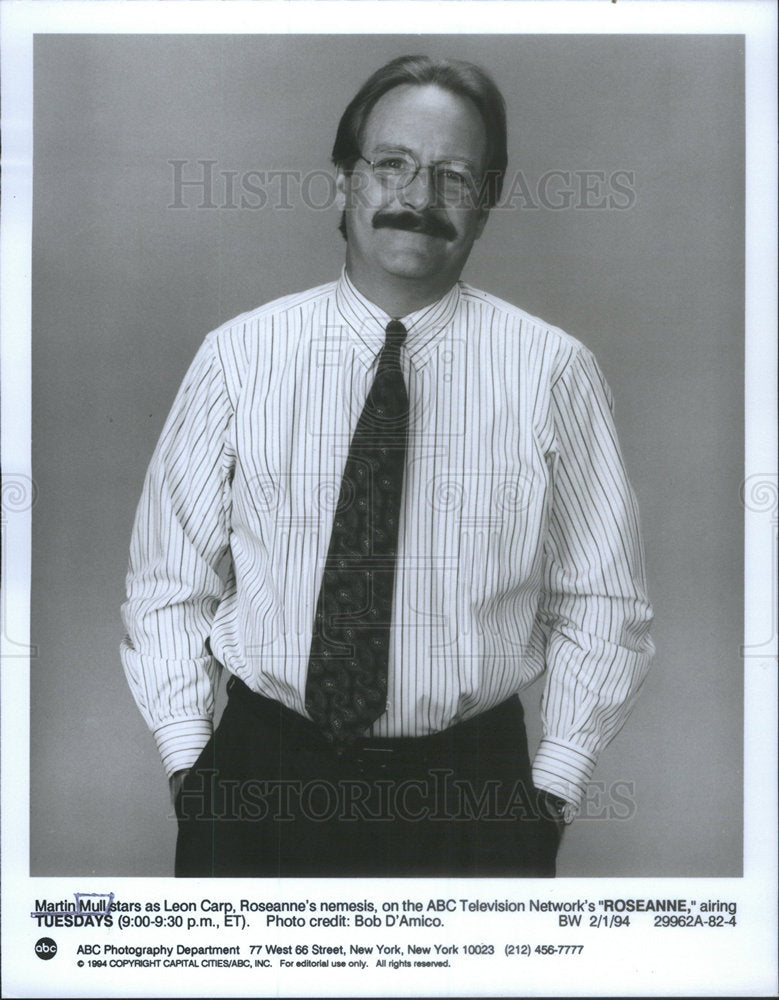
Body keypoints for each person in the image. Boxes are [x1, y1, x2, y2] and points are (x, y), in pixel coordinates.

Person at [121, 54, 653, 878]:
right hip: (263, 781)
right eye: (392, 165)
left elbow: (602, 599)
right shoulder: (239, 356)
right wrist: (194, 768)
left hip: (472, 795)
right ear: (346, 181)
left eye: (452, 175)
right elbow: (166, 583)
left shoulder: (554, 372)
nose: (417, 198)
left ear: (486, 202)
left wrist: (548, 791)